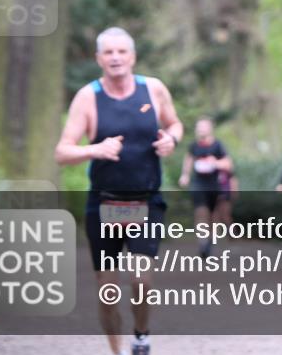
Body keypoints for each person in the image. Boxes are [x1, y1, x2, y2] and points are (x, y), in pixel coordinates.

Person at [55, 27, 183, 355]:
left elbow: (174, 124)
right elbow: (63, 152)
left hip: (146, 201)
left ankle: (141, 335)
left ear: (132, 56)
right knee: (107, 291)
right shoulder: (88, 96)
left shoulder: (153, 89)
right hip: (104, 204)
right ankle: (117, 350)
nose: (115, 58)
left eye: (121, 52)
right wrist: (94, 150)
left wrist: (172, 139)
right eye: (108, 53)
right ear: (98, 59)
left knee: (141, 280)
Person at [178, 117, 233, 256]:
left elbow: (228, 165)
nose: (201, 129)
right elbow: (188, 160)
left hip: (214, 185)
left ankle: (210, 240)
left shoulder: (218, 145)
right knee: (201, 212)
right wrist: (185, 175)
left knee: (213, 216)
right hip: (199, 184)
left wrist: (215, 163)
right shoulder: (194, 146)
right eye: (199, 127)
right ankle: (203, 242)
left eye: (203, 126)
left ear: (210, 128)